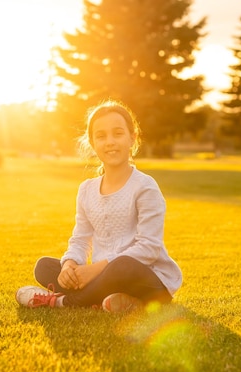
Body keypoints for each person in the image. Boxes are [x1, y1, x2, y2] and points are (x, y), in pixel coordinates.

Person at [15, 99, 183, 313]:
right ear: (93, 144)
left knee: (122, 265)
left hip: (146, 279)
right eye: (101, 136)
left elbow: (149, 248)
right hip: (102, 277)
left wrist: (95, 270)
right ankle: (117, 301)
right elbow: (80, 240)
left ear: (132, 139)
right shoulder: (86, 189)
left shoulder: (145, 186)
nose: (110, 142)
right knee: (44, 267)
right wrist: (69, 266)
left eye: (118, 133)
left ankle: (62, 301)